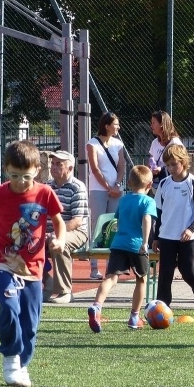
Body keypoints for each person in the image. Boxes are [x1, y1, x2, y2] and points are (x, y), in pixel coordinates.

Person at [0, 140, 65, 387]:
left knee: (30, 322)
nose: (20, 182)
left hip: (34, 268)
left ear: (37, 171)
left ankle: (23, 364)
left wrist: (60, 241)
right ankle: (10, 357)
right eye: (14, 175)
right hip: (3, 262)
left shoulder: (45, 193)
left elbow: (58, 221)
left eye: (26, 177)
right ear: (6, 170)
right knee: (9, 308)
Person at [152, 144, 194, 318]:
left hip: (188, 238)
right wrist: (156, 237)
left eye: (174, 164)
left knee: (187, 272)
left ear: (183, 163)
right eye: (168, 165)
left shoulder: (193, 183)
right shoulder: (164, 184)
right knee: (165, 273)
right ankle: (163, 310)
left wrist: (191, 229)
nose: (171, 168)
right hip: (167, 236)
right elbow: (158, 213)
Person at [87, 165, 157, 332]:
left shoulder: (124, 200)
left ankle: (97, 306)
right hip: (136, 245)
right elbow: (147, 220)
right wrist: (145, 242)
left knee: (110, 278)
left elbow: (117, 222)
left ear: (130, 183)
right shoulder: (148, 201)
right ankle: (134, 316)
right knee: (141, 279)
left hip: (118, 244)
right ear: (149, 185)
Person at [42, 150, 89, 304]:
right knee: (25, 241)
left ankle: (65, 292)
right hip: (49, 232)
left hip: (76, 231)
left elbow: (76, 221)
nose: (53, 167)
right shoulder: (47, 186)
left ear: (69, 168)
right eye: (52, 163)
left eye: (58, 164)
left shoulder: (77, 187)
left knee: (58, 242)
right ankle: (47, 282)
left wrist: (53, 234)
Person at [86, 112, 125, 279]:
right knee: (98, 225)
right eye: (115, 124)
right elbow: (94, 169)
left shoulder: (118, 144)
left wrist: (116, 185)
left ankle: (111, 266)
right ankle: (94, 267)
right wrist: (108, 187)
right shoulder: (92, 143)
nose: (118, 127)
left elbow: (122, 166)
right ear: (107, 125)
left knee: (113, 225)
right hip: (98, 190)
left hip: (116, 190)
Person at [148, 110, 183, 191]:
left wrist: (161, 169)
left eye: (153, 122)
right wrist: (151, 169)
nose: (151, 126)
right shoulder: (155, 142)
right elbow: (150, 161)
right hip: (156, 186)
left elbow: (179, 165)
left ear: (162, 124)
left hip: (173, 185)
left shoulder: (175, 143)